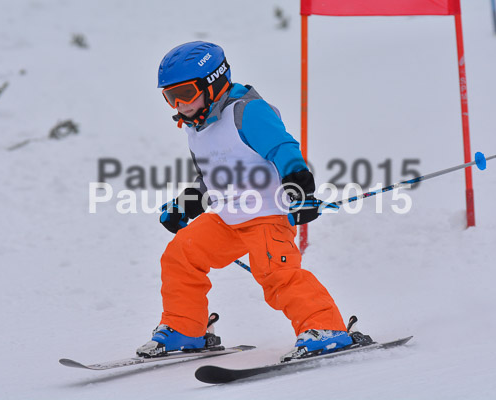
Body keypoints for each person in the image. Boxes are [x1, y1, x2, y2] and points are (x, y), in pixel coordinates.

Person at [137, 41, 353, 362]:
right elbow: (216, 176)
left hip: (267, 215)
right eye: (170, 97)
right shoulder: (199, 126)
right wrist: (187, 204)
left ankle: (325, 328)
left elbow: (282, 149)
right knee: (180, 255)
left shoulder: (247, 111)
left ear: (213, 82)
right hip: (228, 218)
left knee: (276, 274)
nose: (179, 105)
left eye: (184, 93)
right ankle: (185, 328)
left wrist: (300, 190)